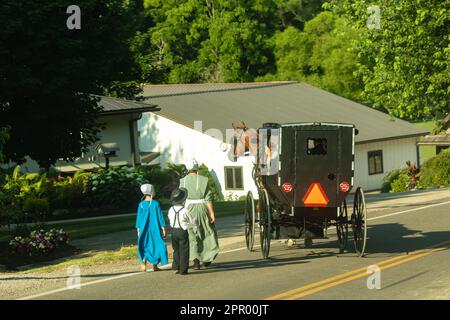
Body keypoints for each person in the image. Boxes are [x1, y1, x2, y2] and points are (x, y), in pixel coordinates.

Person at [180, 159, 219, 269]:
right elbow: (208, 197)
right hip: (202, 208)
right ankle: (207, 258)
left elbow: (181, 198)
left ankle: (195, 260)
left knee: (191, 234)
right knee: (206, 232)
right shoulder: (203, 180)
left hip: (188, 209)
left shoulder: (182, 181)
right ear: (197, 167)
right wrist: (211, 213)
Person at [135, 183, 168, 272]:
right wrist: (163, 228)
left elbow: (138, 217)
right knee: (157, 244)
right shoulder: (155, 204)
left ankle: (144, 262)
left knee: (146, 245)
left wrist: (138, 229)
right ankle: (155, 265)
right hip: (155, 228)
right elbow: (160, 216)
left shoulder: (141, 204)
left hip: (143, 228)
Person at [168, 187, 192, 275]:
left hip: (173, 231)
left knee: (176, 249)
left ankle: (176, 266)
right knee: (184, 250)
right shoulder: (185, 210)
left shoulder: (171, 209)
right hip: (182, 230)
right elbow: (191, 220)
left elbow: (170, 219)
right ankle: (183, 269)